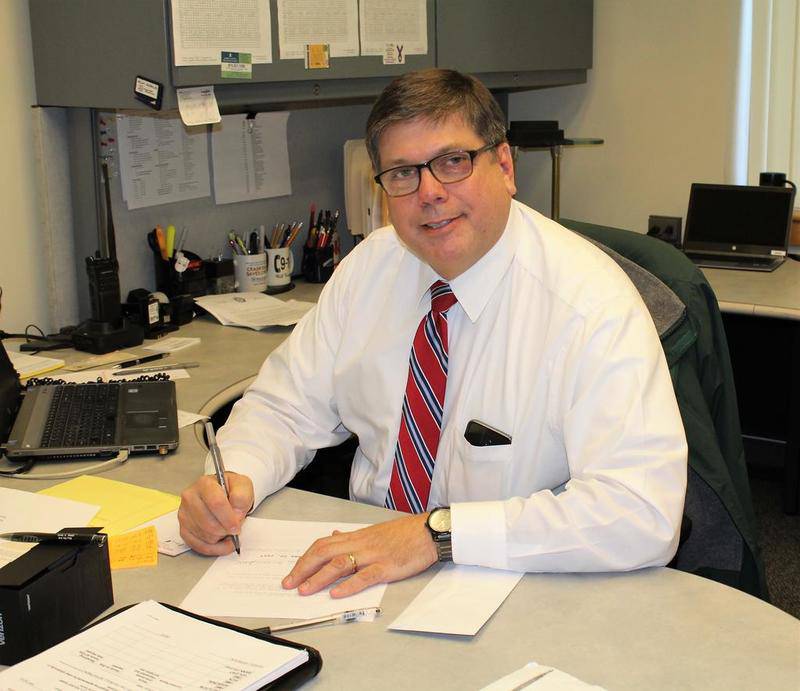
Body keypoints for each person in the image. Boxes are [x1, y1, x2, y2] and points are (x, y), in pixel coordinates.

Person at [179, 68, 687, 599]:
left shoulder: (589, 305)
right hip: (365, 574)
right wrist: (232, 479)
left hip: (520, 585)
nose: (430, 193)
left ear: (506, 166)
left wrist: (438, 534)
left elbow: (642, 511)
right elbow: (286, 408)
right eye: (402, 173)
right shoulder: (370, 268)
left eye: (453, 162)